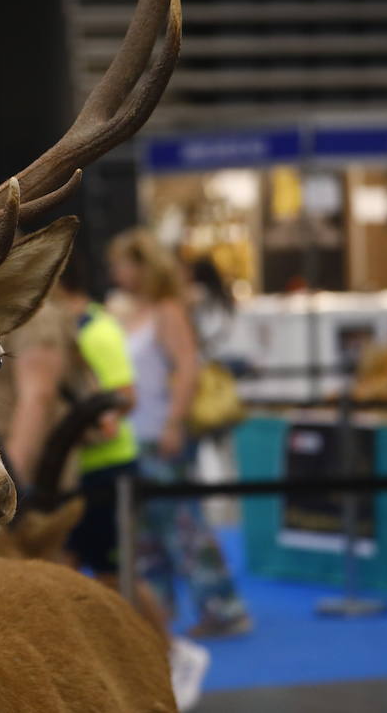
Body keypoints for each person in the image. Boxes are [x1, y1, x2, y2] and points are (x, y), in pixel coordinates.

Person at [107, 228, 252, 640]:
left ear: (141, 266)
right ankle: (158, 612)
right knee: (147, 532)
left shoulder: (168, 311)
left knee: (185, 526)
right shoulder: (131, 311)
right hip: (135, 437)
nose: (116, 271)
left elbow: (188, 369)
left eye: (122, 262)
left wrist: (173, 423)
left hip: (161, 433)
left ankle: (223, 608)